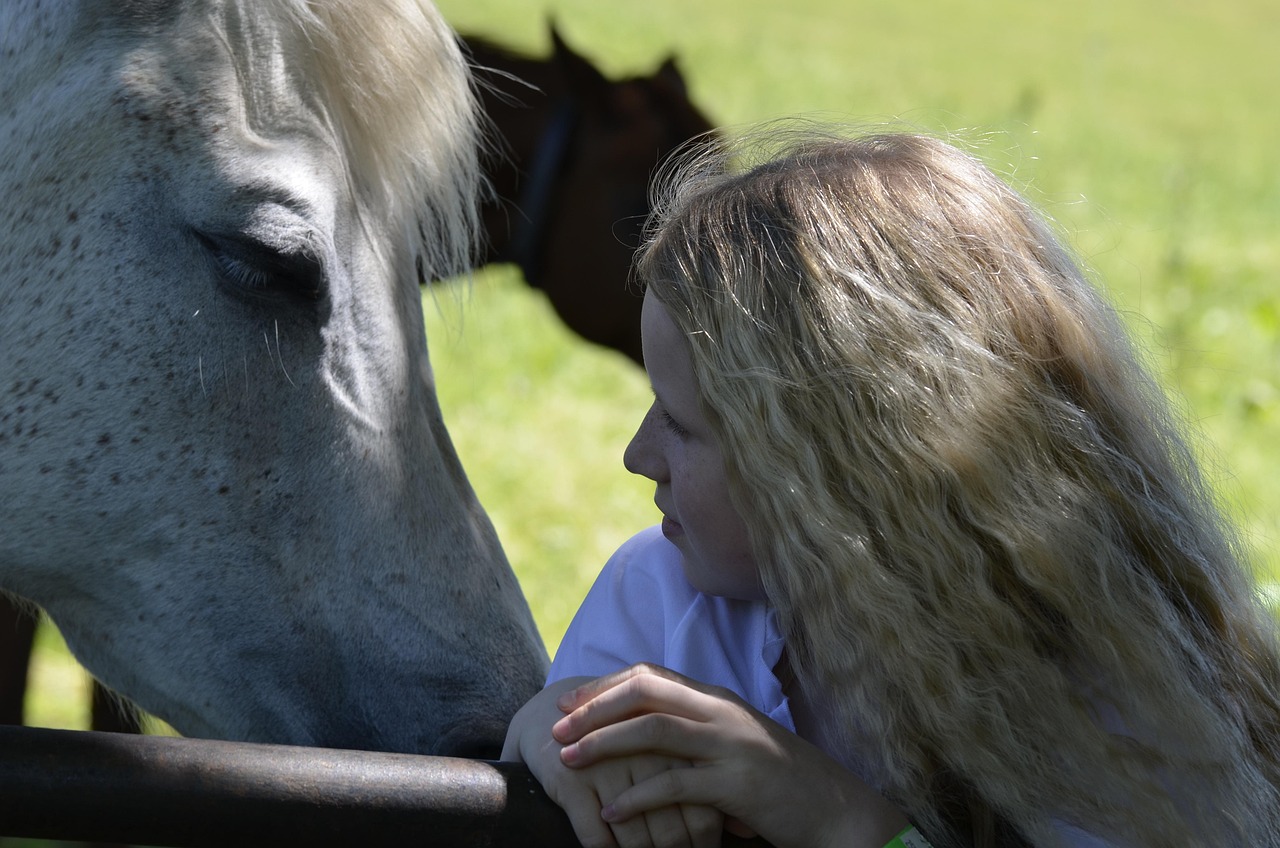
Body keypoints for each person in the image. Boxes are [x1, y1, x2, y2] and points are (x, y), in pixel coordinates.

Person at [502, 128, 1280, 848]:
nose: (638, 455)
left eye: (681, 422)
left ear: (842, 471)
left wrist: (844, 821)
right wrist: (539, 735)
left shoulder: (1133, 715)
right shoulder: (663, 604)